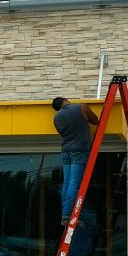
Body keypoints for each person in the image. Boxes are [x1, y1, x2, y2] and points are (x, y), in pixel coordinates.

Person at [51, 97, 99, 227]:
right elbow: (96, 121)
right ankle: (67, 217)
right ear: (66, 100)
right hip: (79, 151)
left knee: (67, 183)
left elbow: (62, 133)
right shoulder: (81, 107)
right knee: (73, 184)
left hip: (66, 151)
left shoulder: (56, 118)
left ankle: (65, 215)